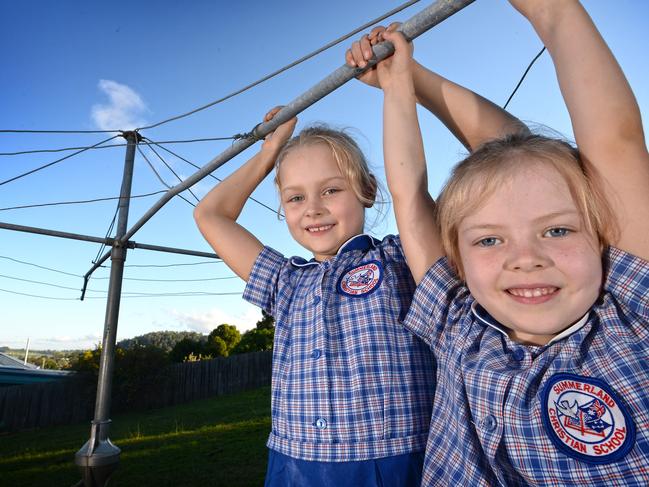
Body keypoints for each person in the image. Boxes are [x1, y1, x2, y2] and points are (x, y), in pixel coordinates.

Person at [193, 38, 524, 483]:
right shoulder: (286, 283)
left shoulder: (403, 256)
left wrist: (405, 83)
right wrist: (269, 151)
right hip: (293, 466)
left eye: (331, 189)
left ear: (367, 190)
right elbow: (209, 214)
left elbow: (510, 146)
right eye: (295, 197)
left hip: (400, 460)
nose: (312, 208)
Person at [373, 0, 649, 484]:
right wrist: (398, 82)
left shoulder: (632, 320)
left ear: (602, 232)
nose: (526, 259)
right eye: (490, 240)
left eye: (557, 230)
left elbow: (615, 142)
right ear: (456, 255)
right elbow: (408, 194)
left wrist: (553, 11)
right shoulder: (456, 322)